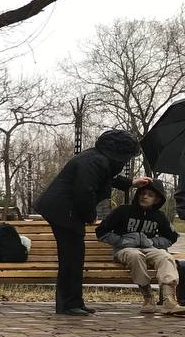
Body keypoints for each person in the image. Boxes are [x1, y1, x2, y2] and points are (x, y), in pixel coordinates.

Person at [36, 129, 149, 317]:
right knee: (71, 259)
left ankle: (74, 302)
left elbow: (106, 178)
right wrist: (90, 215)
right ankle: (68, 304)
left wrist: (131, 183)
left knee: (74, 257)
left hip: (65, 212)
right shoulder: (95, 161)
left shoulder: (97, 158)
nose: (127, 160)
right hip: (64, 212)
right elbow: (85, 191)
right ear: (119, 152)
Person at [95, 180, 183, 315]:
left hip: (150, 249)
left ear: (157, 199)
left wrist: (152, 242)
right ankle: (148, 297)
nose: (145, 196)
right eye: (142, 193)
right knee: (136, 255)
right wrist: (121, 241)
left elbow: (171, 237)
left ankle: (169, 300)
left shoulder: (159, 216)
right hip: (125, 250)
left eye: (150, 195)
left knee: (166, 257)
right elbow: (101, 232)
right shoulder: (123, 211)